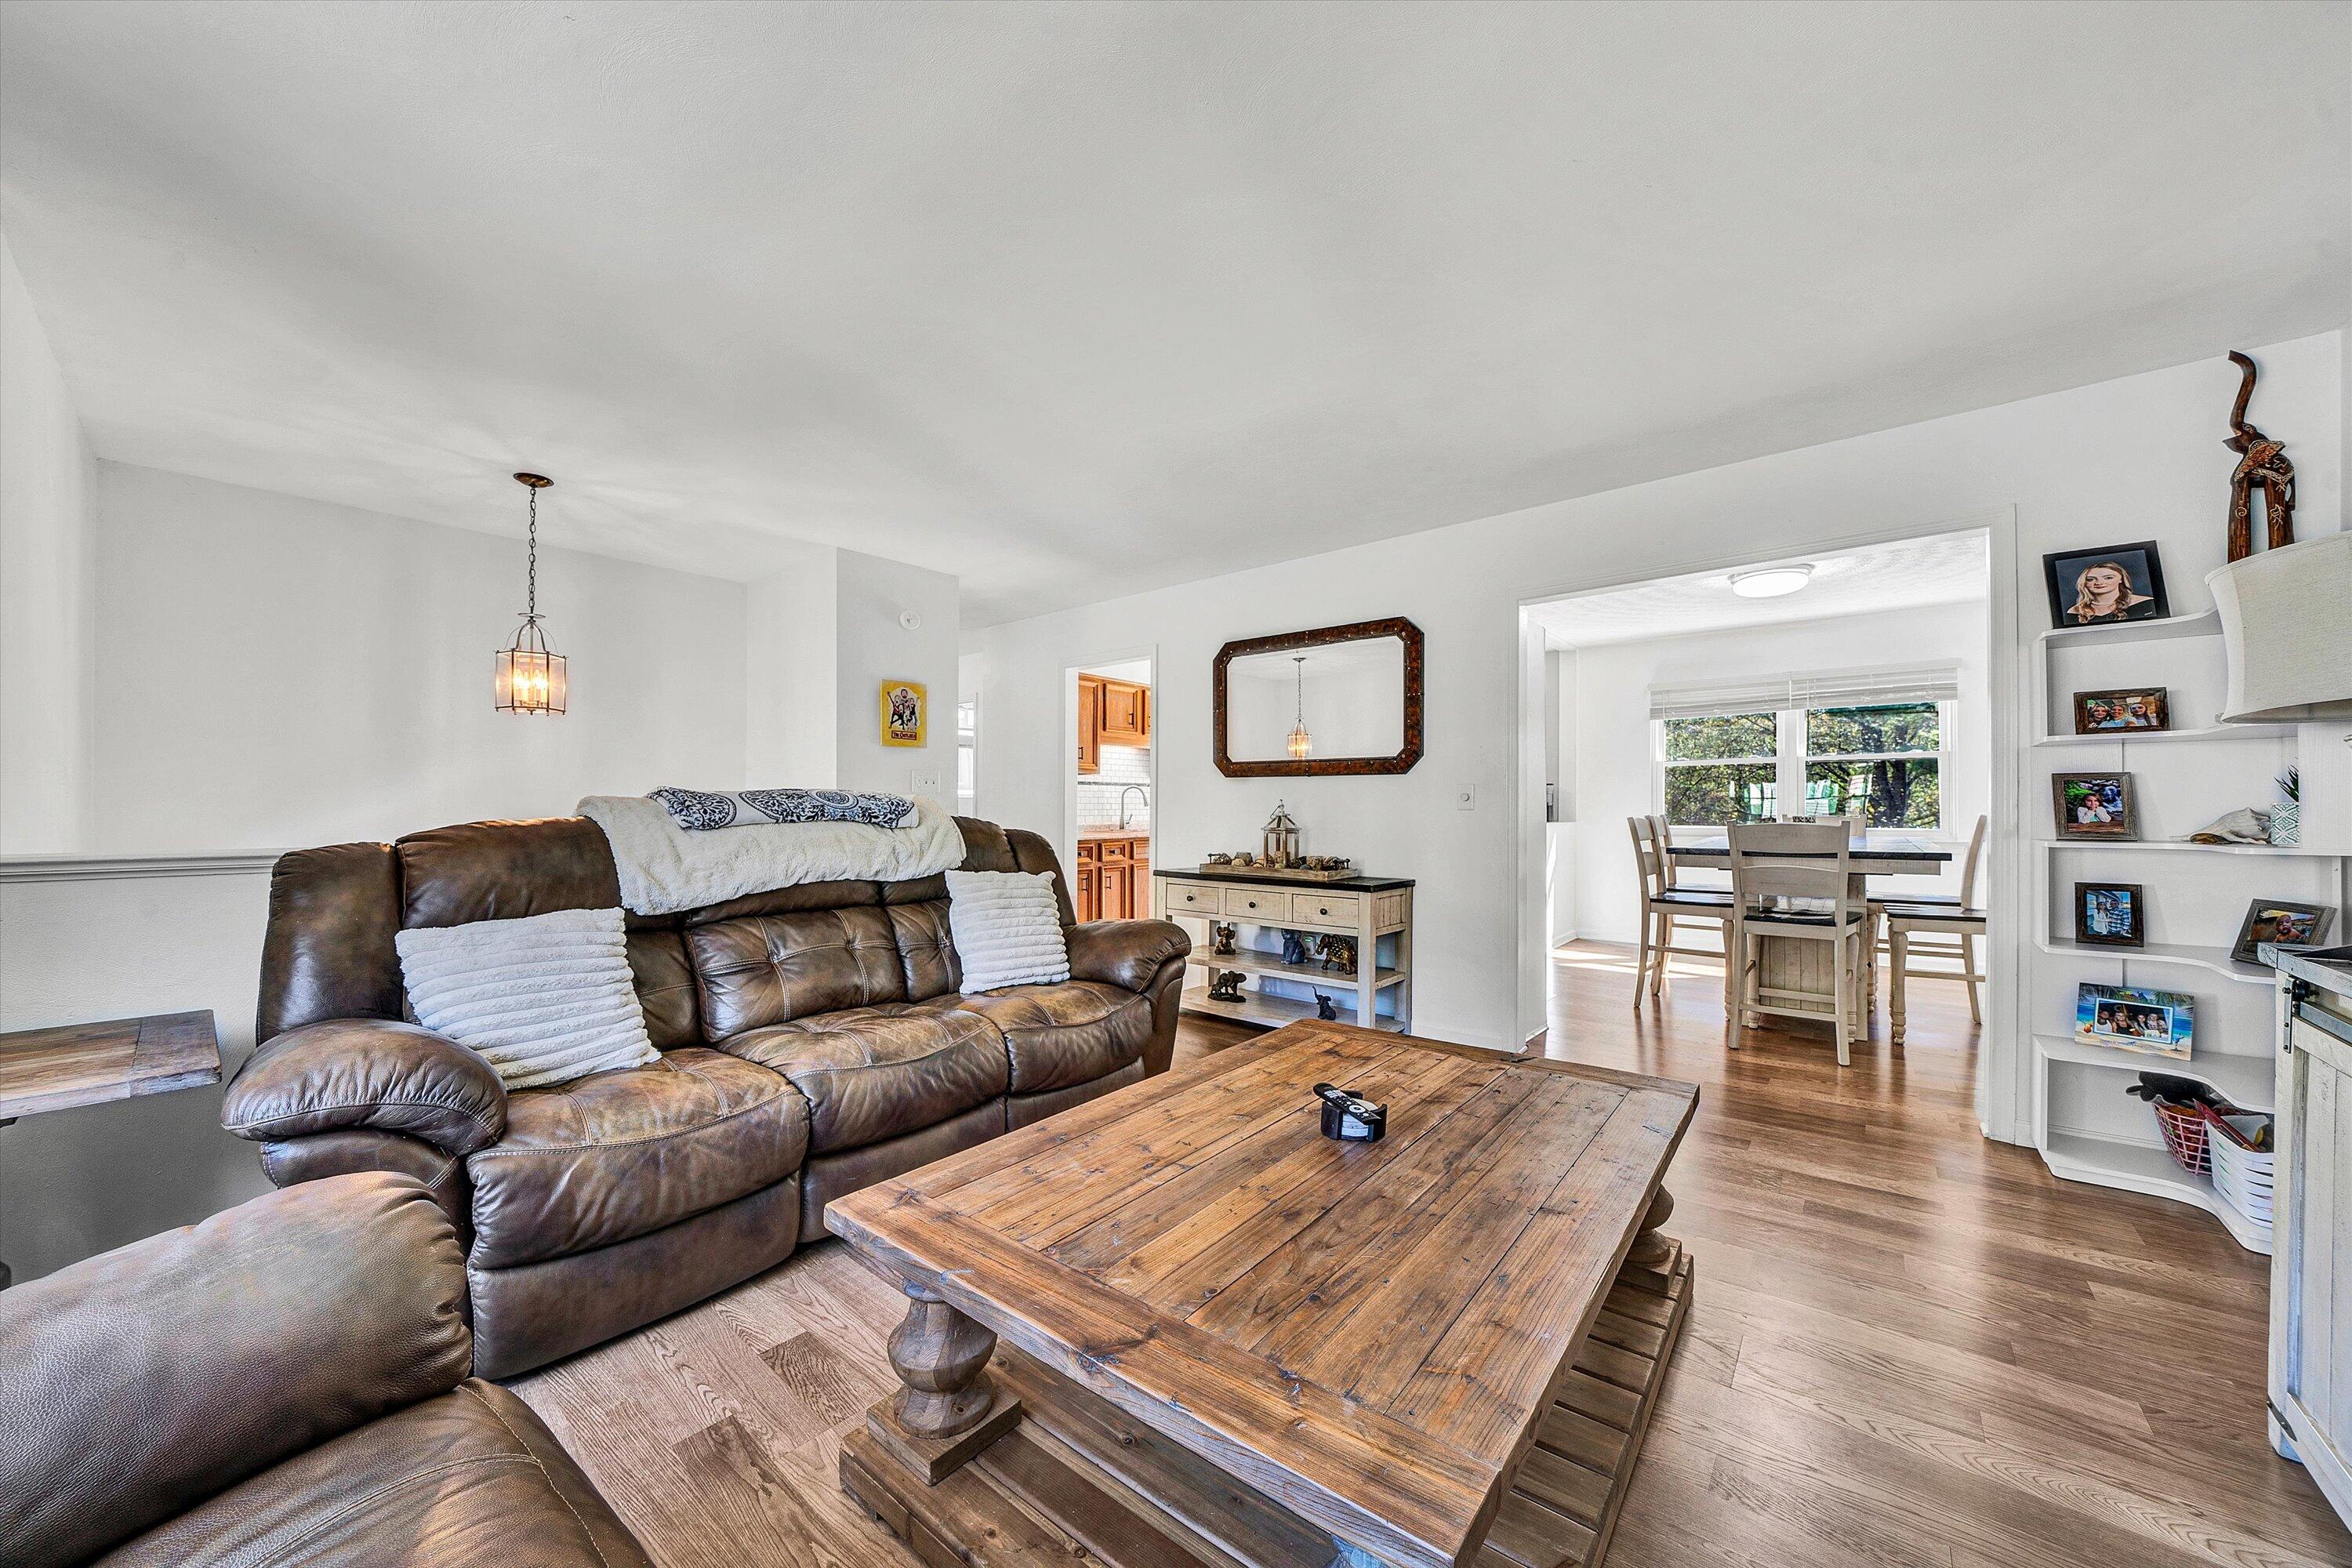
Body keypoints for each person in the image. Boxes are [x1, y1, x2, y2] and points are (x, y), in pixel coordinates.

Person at [2065, 560, 2157, 624]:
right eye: (2091, 579)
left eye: (2108, 578)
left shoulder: (2146, 603)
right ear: (2084, 583)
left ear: (2121, 579)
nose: (2099, 583)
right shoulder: (2074, 612)